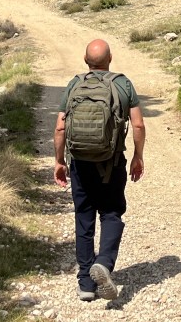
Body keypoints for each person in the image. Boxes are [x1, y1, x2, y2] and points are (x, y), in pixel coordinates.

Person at [53, 38, 145, 301]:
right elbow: (138, 125)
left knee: (84, 217)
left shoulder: (74, 84)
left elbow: (60, 127)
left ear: (85, 61)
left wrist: (59, 161)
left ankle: (85, 284)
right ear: (110, 58)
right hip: (111, 163)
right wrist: (138, 156)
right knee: (112, 212)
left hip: (80, 163)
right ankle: (104, 262)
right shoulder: (123, 84)